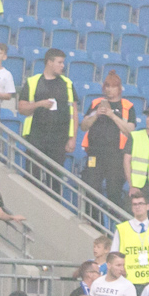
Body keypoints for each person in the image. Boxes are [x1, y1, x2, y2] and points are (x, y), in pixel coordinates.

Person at [15, 48, 77, 185]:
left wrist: (72, 138)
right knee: (32, 175)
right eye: (60, 62)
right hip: (36, 136)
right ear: (49, 62)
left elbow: (74, 112)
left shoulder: (67, 84)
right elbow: (22, 108)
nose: (63, 66)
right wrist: (38, 104)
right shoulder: (33, 82)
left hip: (59, 138)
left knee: (55, 179)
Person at [81, 72, 135, 208]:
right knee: (91, 188)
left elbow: (130, 131)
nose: (109, 90)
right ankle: (92, 221)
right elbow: (83, 126)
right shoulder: (95, 103)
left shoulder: (127, 106)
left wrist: (112, 115)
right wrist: (96, 115)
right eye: (107, 86)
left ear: (119, 88)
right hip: (94, 154)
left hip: (116, 156)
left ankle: (114, 223)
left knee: (114, 191)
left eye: (113, 86)